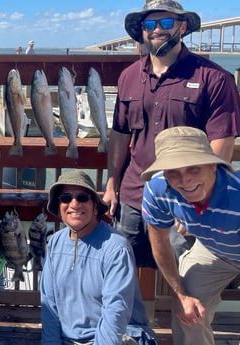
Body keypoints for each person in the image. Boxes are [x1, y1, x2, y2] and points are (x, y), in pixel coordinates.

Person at [103, 0, 240, 269]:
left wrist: (199, 201)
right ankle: (142, 315)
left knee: (184, 279)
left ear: (182, 26)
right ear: (141, 31)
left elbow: (220, 144)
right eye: (150, 24)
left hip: (184, 196)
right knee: (125, 274)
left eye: (166, 23)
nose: (157, 30)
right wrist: (111, 184)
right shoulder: (128, 76)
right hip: (134, 195)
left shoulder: (214, 78)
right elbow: (119, 134)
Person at [141, 126, 240, 345]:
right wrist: (182, 294)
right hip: (213, 250)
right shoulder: (157, 188)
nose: (184, 181)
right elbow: (160, 243)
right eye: (173, 171)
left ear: (213, 165)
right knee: (188, 306)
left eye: (193, 168)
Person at [40, 171, 156, 344]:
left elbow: (116, 311)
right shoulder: (55, 242)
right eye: (65, 198)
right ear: (59, 206)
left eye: (82, 197)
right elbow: (49, 304)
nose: (74, 204)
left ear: (95, 206)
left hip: (118, 337)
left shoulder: (116, 247)